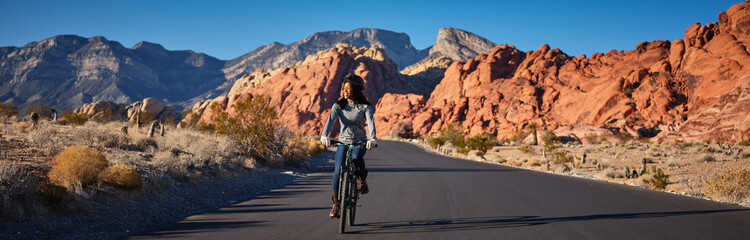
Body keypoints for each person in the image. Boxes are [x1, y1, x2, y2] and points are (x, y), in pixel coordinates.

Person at [320, 74, 377, 219]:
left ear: (356, 90)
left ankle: (362, 180)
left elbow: (371, 124)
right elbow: (330, 121)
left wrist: (373, 139)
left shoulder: (365, 107)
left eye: (348, 88)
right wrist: (324, 136)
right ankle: (336, 204)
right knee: (338, 171)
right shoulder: (338, 106)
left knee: (356, 157)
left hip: (359, 142)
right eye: (343, 87)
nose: (345, 90)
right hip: (342, 142)